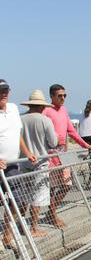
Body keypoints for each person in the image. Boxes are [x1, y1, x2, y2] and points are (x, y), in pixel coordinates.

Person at [43, 84, 91, 228]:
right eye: (59, 96)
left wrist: (85, 145)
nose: (63, 98)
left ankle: (51, 213)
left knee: (67, 184)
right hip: (51, 155)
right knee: (52, 188)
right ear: (52, 96)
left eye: (64, 95)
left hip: (63, 154)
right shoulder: (46, 111)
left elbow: (71, 131)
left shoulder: (64, 110)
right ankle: (52, 215)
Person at [0, 79, 37, 247]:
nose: (4, 93)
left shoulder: (14, 109)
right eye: (1, 90)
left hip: (12, 164)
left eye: (6, 89)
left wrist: (27, 152)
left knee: (19, 200)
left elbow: (17, 134)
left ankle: (7, 234)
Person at [19, 90, 58, 237]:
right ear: (42, 106)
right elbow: (53, 143)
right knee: (38, 196)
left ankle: (22, 224)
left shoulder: (21, 119)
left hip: (23, 162)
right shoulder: (45, 120)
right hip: (40, 163)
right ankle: (34, 227)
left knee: (23, 195)